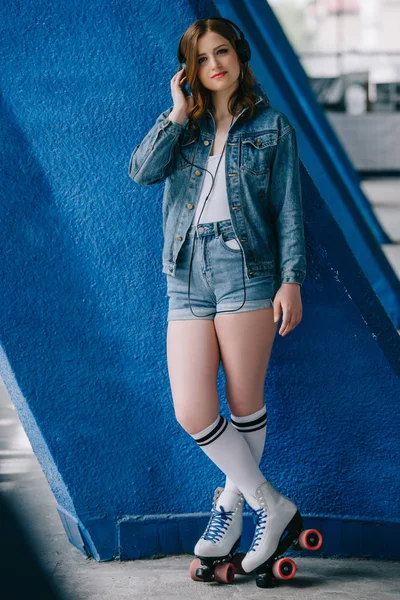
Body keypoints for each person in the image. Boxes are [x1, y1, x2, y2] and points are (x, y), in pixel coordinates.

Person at [128, 17, 306, 574]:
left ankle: (229, 508)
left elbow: (289, 210)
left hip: (247, 269)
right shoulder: (184, 127)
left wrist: (292, 278)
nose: (214, 66)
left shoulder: (274, 127)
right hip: (184, 272)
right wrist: (176, 115)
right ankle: (267, 504)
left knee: (244, 400)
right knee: (192, 408)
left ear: (239, 54)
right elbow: (141, 172)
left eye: (221, 52)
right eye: (202, 59)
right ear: (190, 70)